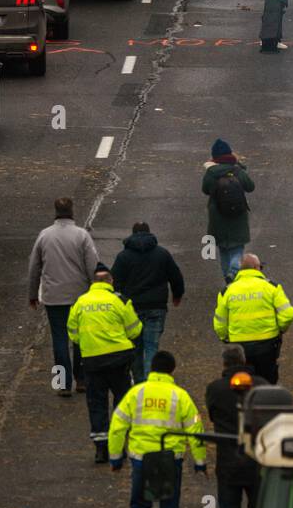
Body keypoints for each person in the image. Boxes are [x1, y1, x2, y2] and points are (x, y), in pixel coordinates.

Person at [108, 350, 207, 508]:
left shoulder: (136, 393)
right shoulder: (180, 396)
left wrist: (116, 458)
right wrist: (200, 462)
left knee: (139, 506)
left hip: (141, 459)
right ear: (172, 370)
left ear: (151, 368)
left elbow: (117, 425)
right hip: (170, 460)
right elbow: (196, 429)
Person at [68, 265, 142, 462]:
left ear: (93, 283)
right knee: (121, 402)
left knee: (97, 404)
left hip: (92, 362)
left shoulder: (80, 302)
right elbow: (134, 330)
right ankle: (118, 446)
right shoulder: (121, 300)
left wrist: (89, 342)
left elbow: (73, 333)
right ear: (111, 282)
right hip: (119, 360)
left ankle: (101, 449)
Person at [28, 197, 100, 397]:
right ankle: (82, 379)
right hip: (79, 296)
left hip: (53, 297)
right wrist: (96, 289)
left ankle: (61, 383)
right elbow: (92, 266)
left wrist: (33, 294)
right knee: (80, 339)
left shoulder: (44, 236)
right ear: (72, 211)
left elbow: (34, 268)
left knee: (59, 340)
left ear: (55, 211)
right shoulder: (82, 236)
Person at [204, 345, 267, 508]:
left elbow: (213, 415)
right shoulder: (262, 386)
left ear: (224, 363)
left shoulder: (215, 389)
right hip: (257, 460)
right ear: (244, 360)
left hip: (228, 462)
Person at [110, 221, 185, 384]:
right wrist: (177, 295)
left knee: (135, 348)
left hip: (132, 308)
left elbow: (114, 283)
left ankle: (139, 382)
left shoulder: (123, 257)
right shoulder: (162, 254)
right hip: (156, 307)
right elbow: (176, 276)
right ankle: (152, 381)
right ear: (150, 234)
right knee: (152, 345)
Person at [213, 253, 293, 383]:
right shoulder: (271, 287)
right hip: (267, 344)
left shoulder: (227, 291)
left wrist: (225, 338)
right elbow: (288, 314)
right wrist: (280, 330)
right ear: (256, 268)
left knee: (240, 384)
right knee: (267, 382)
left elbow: (220, 322)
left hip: (239, 348)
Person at [203, 139, 255, 284]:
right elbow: (250, 186)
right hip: (238, 218)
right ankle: (233, 271)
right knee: (237, 248)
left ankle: (229, 280)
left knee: (224, 250)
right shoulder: (237, 170)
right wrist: (239, 165)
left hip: (217, 218)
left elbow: (205, 189)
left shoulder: (211, 172)